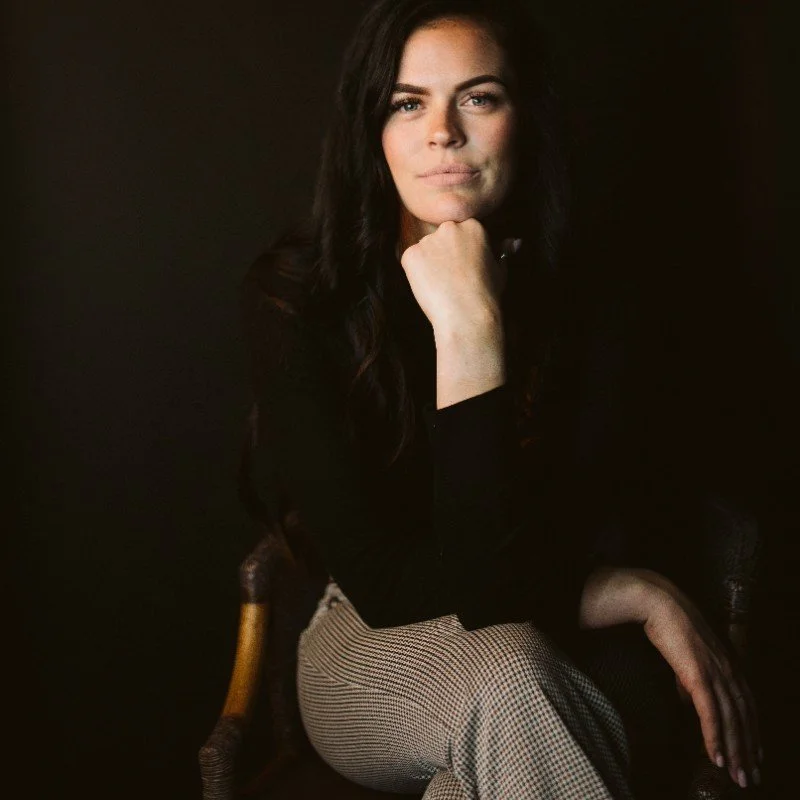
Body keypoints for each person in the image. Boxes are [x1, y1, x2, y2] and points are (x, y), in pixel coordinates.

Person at [240, 0, 761, 796]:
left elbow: (547, 547)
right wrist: (469, 332)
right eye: (407, 102)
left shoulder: (597, 299)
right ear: (370, 131)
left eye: (478, 97)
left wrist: (483, 317)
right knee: (510, 675)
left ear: (525, 119)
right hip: (371, 643)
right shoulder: (298, 300)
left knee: (502, 718)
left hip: (562, 644)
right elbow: (393, 583)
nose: (442, 131)